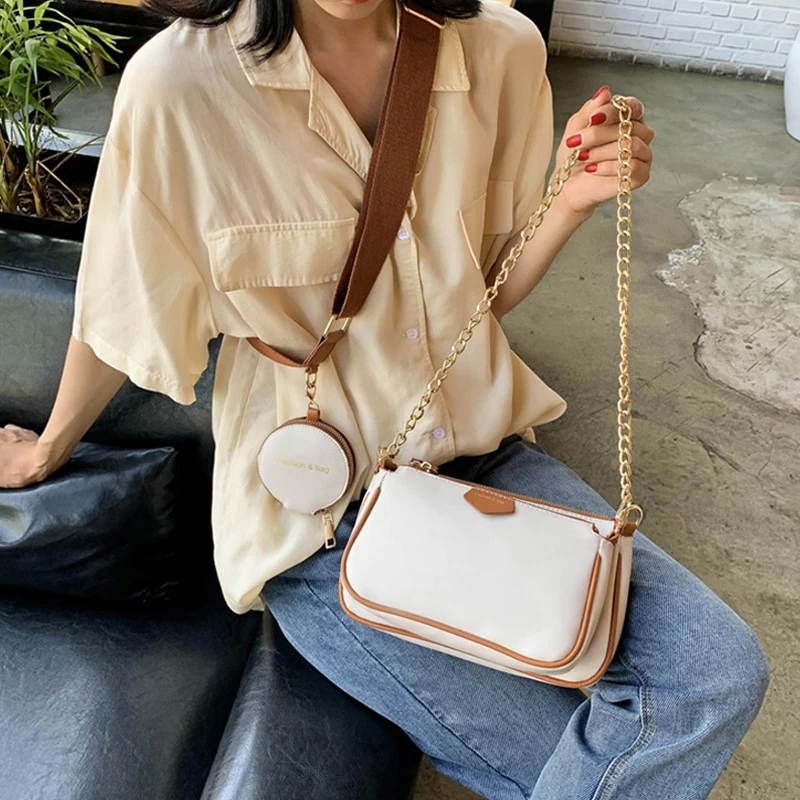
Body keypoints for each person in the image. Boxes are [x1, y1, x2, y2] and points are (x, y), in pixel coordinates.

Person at [0, 0, 769, 797]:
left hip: (479, 464)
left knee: (714, 673)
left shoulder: (502, 50)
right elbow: (121, 306)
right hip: (317, 517)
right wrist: (50, 446)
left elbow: (482, 294)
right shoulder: (180, 84)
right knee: (589, 765)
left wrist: (570, 197)